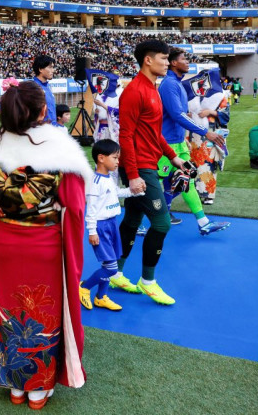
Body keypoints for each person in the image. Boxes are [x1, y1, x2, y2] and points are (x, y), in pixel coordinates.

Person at [0, 80, 89, 409]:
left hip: (4, 244)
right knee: (42, 311)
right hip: (44, 246)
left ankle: (15, 386)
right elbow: (75, 208)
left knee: (9, 310)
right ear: (43, 111)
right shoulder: (60, 153)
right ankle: (38, 388)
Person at [109, 40, 187, 305]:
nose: (168, 62)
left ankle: (115, 273)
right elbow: (126, 135)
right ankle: (148, 282)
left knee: (131, 221)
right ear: (148, 60)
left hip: (147, 163)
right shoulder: (133, 91)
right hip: (139, 168)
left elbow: (154, 133)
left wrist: (173, 156)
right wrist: (132, 174)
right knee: (162, 223)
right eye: (164, 58)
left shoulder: (153, 88)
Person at [158, 47, 229, 235]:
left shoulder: (177, 85)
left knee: (186, 180)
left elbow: (181, 114)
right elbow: (176, 115)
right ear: (174, 63)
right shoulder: (169, 85)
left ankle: (203, 222)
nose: (188, 62)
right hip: (166, 144)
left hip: (178, 142)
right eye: (184, 59)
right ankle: (136, 222)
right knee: (151, 183)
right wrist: (206, 132)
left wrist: (184, 138)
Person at [80, 140, 141, 312]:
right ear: (101, 158)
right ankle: (84, 287)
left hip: (112, 224)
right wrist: (92, 231)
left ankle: (100, 298)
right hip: (101, 227)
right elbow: (90, 209)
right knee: (112, 268)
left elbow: (116, 193)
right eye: (115, 158)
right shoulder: (95, 182)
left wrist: (134, 191)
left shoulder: (108, 178)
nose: (117, 162)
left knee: (108, 265)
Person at [33, 55, 57, 124]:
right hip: (41, 131)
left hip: (52, 129)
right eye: (50, 67)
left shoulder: (48, 86)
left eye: (53, 67)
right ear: (40, 69)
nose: (53, 70)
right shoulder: (33, 87)